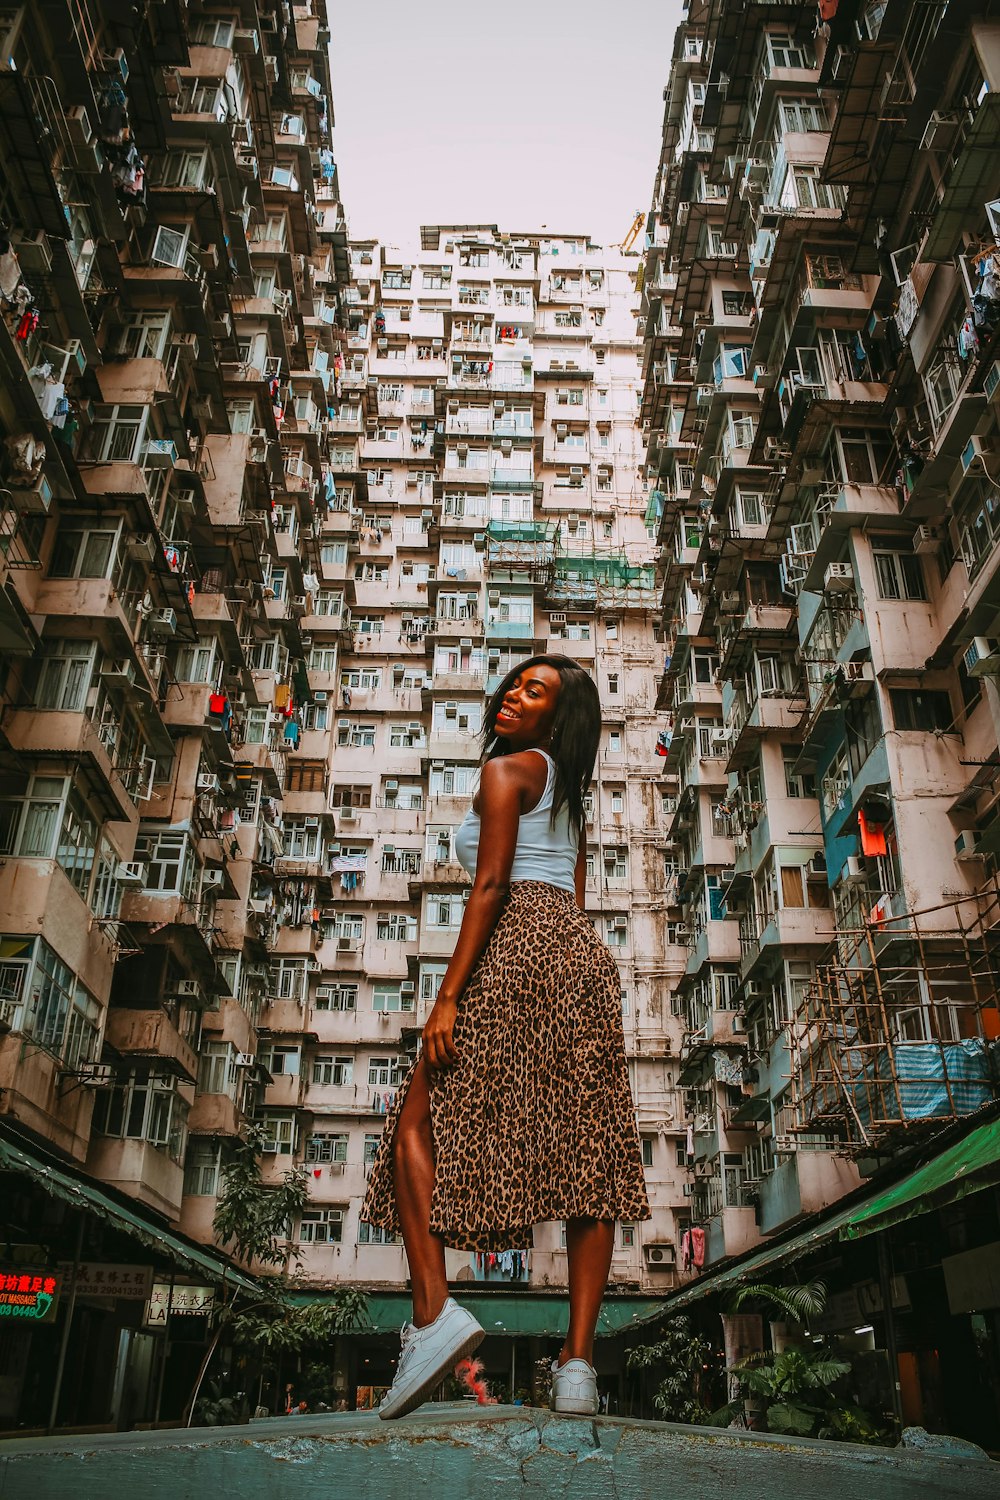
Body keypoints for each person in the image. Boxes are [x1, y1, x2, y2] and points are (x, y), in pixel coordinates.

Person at [361, 656, 650, 1420]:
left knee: (413, 1125)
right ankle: (578, 1368)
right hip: (578, 958)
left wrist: (448, 997)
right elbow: (574, 897)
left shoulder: (510, 773)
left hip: (513, 944)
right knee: (589, 1152)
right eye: (515, 684)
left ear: (558, 720)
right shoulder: (570, 800)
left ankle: (433, 1314)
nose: (512, 697)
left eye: (536, 692)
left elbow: (491, 886)